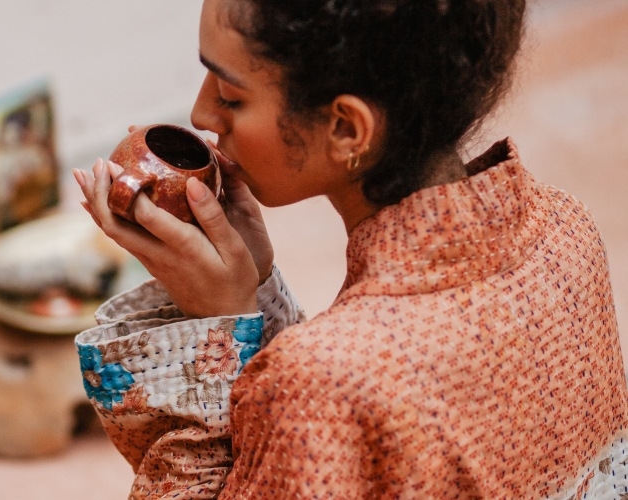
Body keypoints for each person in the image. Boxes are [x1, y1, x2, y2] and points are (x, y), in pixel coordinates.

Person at [72, 0, 628, 498]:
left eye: (230, 95)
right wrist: (258, 290)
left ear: (346, 128)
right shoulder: (567, 229)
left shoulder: (323, 383)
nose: (201, 116)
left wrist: (212, 335)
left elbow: (335, 389)